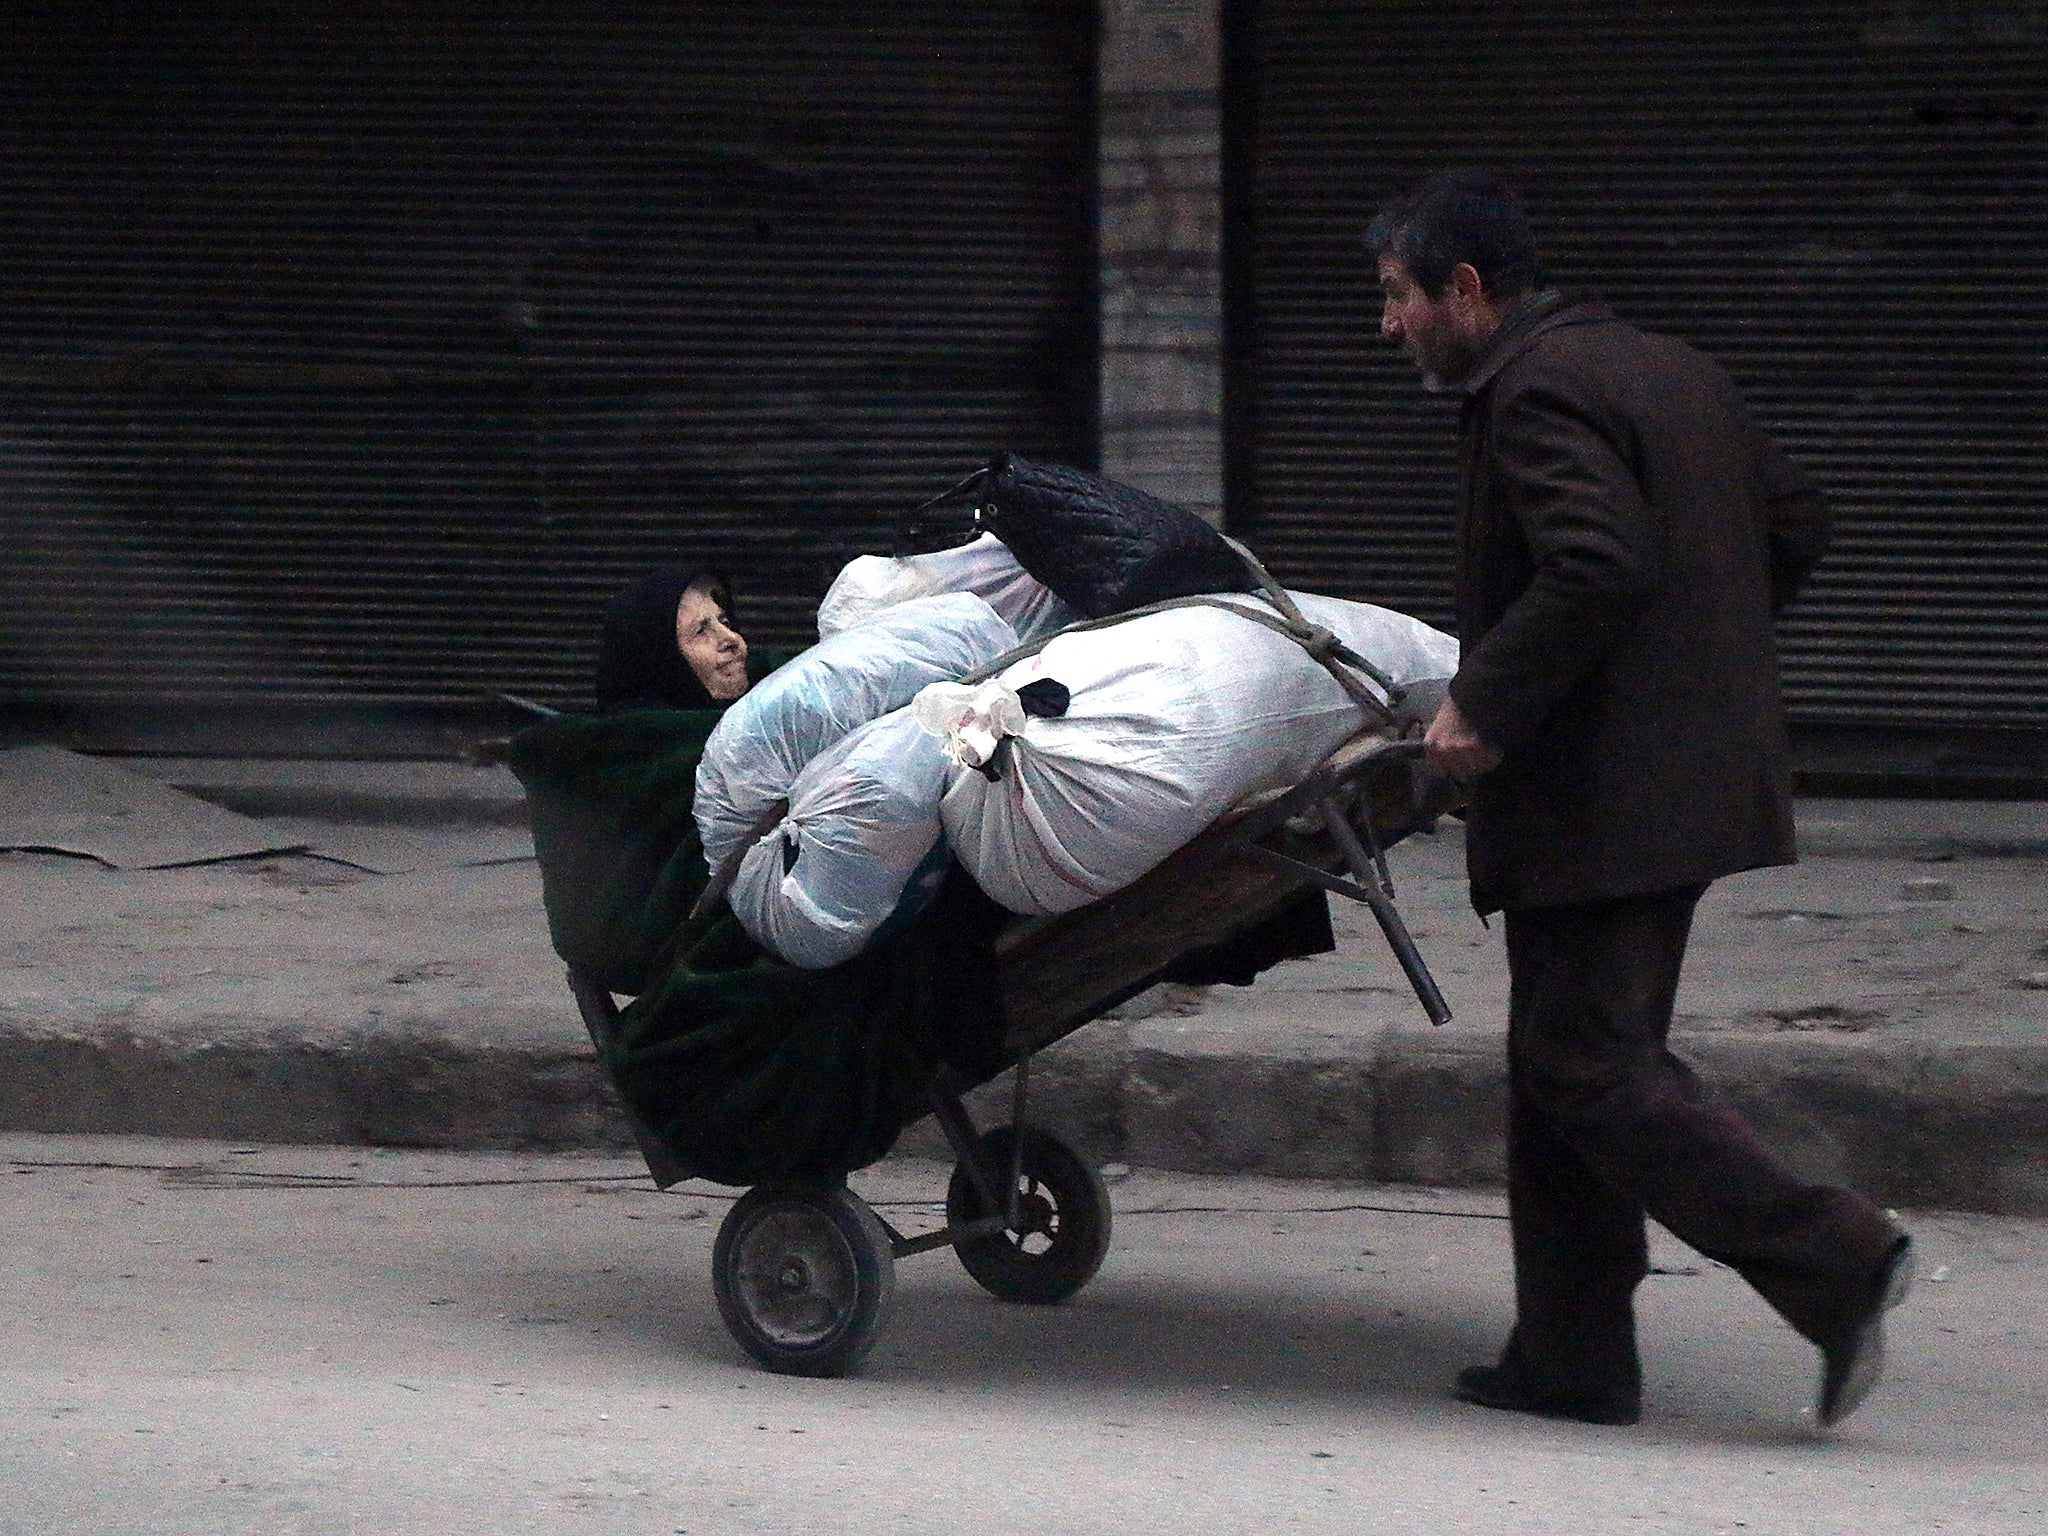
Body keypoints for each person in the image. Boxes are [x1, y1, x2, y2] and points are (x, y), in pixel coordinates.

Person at [1367, 172, 1913, 1429]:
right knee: (1560, 1059)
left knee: (1587, 1064)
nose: (1385, 325)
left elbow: (1597, 562)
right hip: (1668, 778)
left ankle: (1834, 1260)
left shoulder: (1535, 390)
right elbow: (1796, 521)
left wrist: (1481, 707)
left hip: (1607, 792)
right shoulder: (1662, 365)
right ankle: (1570, 1355)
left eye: (1397, 297)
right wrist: (1700, 664)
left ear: (1465, 290)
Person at [593, 567, 750, 714]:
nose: (733, 638)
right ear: (660, 658)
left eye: (725, 622)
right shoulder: (630, 740)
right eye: (701, 631)